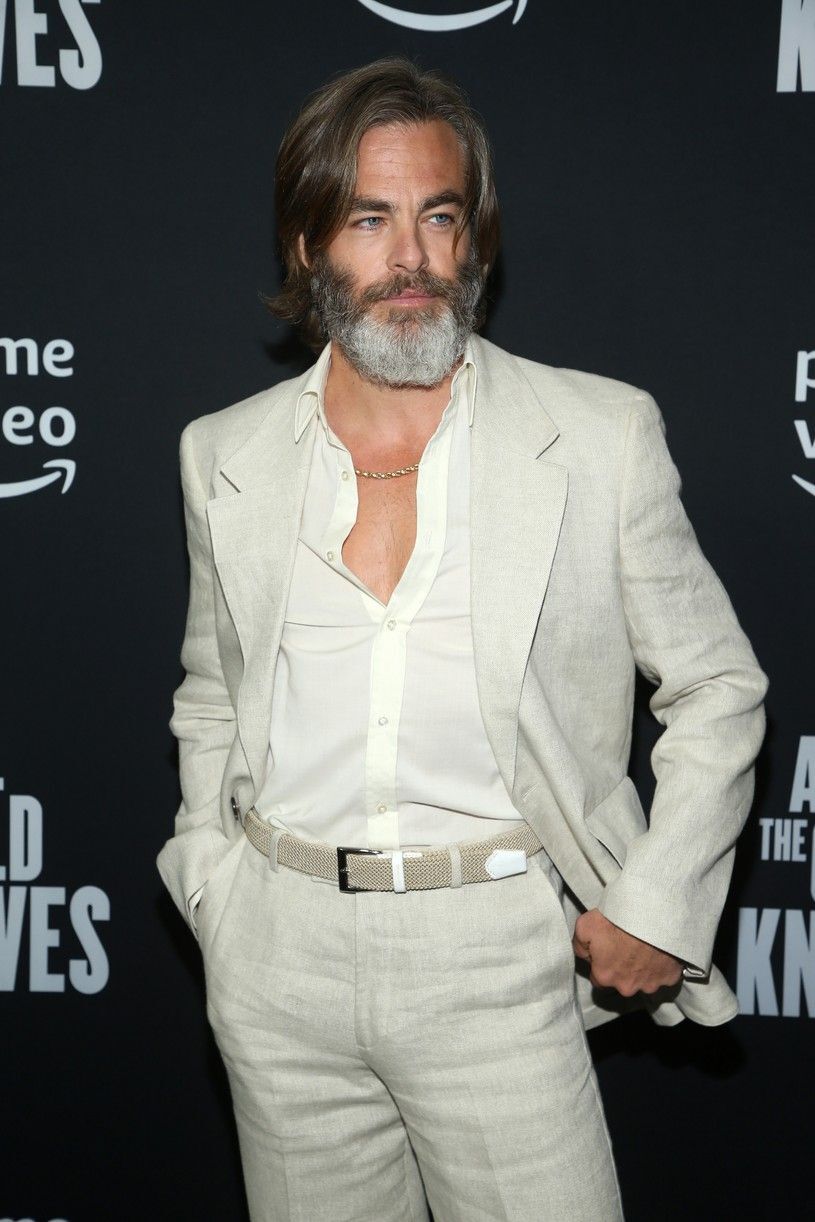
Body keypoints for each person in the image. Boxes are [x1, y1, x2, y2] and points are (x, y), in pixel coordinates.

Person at [156, 57, 768, 1222]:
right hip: (276, 954)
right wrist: (211, 884)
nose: (411, 260)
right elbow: (211, 690)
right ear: (306, 246)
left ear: (472, 237)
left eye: (438, 218)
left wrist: (655, 902)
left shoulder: (595, 435)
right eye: (368, 220)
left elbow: (716, 685)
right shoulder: (222, 453)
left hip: (492, 954)